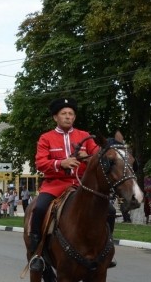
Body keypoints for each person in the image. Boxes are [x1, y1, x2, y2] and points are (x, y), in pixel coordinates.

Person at [27, 97, 100, 272]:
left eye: (71, 114)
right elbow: (40, 163)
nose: (68, 117)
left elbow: (100, 159)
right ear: (55, 117)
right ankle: (37, 253)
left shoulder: (85, 136)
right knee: (40, 208)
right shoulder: (46, 138)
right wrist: (61, 164)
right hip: (55, 184)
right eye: (64, 113)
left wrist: (87, 157)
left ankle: (104, 252)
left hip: (82, 185)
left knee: (109, 211)